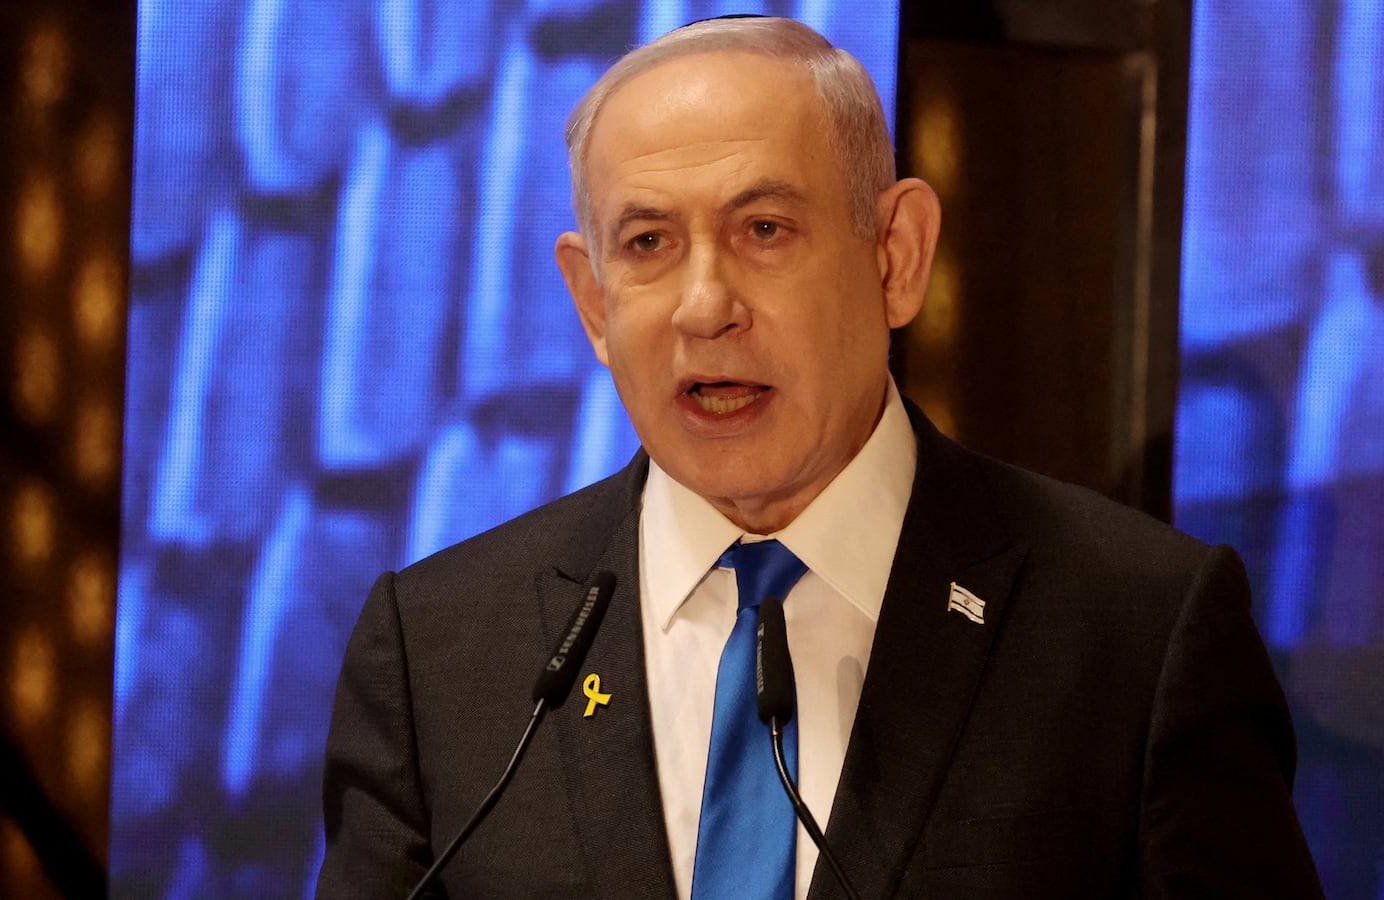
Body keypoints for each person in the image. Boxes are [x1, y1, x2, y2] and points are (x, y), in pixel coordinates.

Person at [316, 16, 1322, 899]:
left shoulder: (1136, 634)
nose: (705, 306)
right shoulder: (439, 654)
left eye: (763, 229)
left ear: (896, 257)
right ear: (591, 302)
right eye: (649, 244)